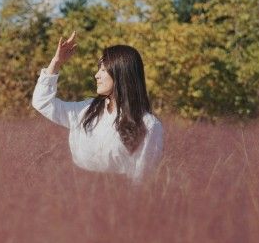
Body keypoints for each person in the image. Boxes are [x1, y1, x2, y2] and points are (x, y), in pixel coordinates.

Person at [31, 31, 164, 183]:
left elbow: (142, 179)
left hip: (115, 202)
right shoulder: (86, 111)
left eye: (103, 70)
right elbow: (42, 102)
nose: (96, 75)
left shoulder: (149, 125)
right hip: (75, 196)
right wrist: (56, 63)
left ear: (121, 73)